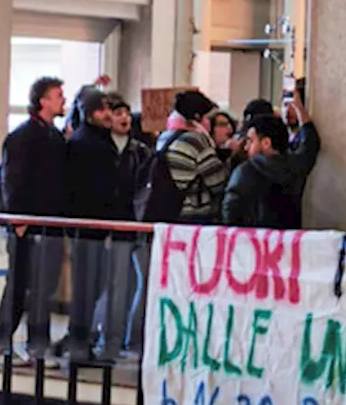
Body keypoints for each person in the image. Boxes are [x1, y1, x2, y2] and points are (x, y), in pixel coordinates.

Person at [0, 77, 69, 367]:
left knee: (42, 288)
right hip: (26, 225)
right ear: (42, 101)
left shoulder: (54, 135)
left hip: (48, 223)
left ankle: (37, 347)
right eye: (58, 95)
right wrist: (17, 217)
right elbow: (13, 179)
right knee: (20, 285)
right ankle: (0, 344)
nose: (63, 100)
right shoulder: (24, 135)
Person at [65, 88, 119, 358]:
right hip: (88, 223)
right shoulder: (85, 143)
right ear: (89, 114)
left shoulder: (99, 140)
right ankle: (79, 341)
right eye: (101, 109)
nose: (107, 114)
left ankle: (82, 338)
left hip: (96, 224)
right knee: (86, 285)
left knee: (94, 283)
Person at [104, 93, 151, 360]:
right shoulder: (101, 149)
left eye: (126, 112)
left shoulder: (140, 150)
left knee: (140, 283)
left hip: (137, 224)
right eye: (117, 112)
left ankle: (133, 338)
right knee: (116, 285)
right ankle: (110, 338)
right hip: (114, 225)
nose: (123, 118)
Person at [159, 90, 230, 224]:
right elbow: (217, 182)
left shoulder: (164, 137)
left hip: (168, 211)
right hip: (192, 215)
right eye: (208, 118)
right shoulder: (196, 141)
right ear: (198, 117)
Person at [222, 115, 302, 229]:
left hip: (251, 241)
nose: (246, 147)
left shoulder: (244, 172)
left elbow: (230, 214)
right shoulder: (297, 168)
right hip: (286, 242)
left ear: (266, 143)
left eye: (250, 141)